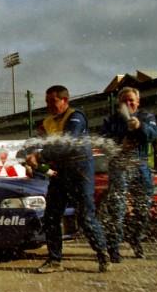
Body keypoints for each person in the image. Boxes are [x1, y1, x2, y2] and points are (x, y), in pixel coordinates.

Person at [24, 85, 110, 274]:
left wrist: (39, 157)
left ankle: (103, 253)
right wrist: (29, 153)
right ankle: (55, 260)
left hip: (80, 171)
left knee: (85, 216)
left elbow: (66, 144)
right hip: (61, 172)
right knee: (51, 217)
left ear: (65, 100)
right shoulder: (47, 122)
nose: (49, 106)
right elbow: (37, 142)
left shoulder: (76, 117)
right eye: (47, 102)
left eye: (53, 102)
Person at [101, 86, 157, 261]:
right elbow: (103, 141)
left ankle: (136, 239)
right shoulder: (111, 120)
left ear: (138, 102)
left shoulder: (146, 117)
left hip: (140, 165)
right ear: (119, 103)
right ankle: (114, 248)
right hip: (119, 165)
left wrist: (140, 126)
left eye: (131, 100)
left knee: (143, 208)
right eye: (124, 101)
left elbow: (153, 134)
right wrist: (119, 144)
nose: (128, 103)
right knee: (117, 208)